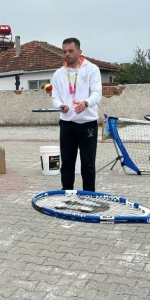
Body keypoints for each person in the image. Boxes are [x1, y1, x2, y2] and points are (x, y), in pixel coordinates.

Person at [51, 37, 102, 192]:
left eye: (71, 51)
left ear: (79, 52)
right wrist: (61, 106)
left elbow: (97, 93)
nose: (67, 54)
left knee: (87, 163)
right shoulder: (58, 74)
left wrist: (86, 103)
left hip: (88, 124)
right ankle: (67, 194)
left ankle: (89, 197)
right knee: (67, 163)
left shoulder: (91, 69)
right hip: (67, 124)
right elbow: (55, 97)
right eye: (64, 51)